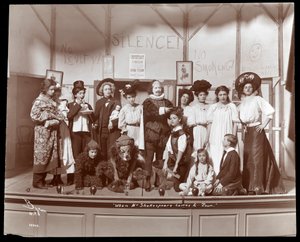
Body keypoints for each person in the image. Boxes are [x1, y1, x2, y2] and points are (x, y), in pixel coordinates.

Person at [235, 72, 286, 195]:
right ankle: (249, 186)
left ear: (253, 88)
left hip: (257, 132)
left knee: (257, 158)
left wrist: (263, 125)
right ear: (242, 90)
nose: (248, 89)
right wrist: (243, 126)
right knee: (248, 159)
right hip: (247, 133)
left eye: (250, 87)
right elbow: (240, 118)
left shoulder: (258, 99)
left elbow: (270, 112)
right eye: (245, 87)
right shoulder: (242, 103)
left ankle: (258, 186)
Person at [30, 78, 63, 189]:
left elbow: (59, 114)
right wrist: (48, 116)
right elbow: (34, 116)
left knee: (48, 155)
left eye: (54, 89)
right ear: (45, 89)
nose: (53, 92)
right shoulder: (39, 101)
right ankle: (37, 181)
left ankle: (42, 180)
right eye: (51, 89)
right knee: (41, 155)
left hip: (52, 132)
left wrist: (56, 119)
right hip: (42, 133)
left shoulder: (52, 101)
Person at [143, 80, 173, 191]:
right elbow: (151, 112)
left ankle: (158, 181)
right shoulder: (147, 102)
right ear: (151, 89)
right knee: (149, 159)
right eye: (155, 88)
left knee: (160, 159)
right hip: (150, 134)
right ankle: (147, 181)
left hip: (163, 135)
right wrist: (164, 110)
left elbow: (172, 112)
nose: (158, 89)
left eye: (159, 87)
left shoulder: (167, 102)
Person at [206, 85, 239, 175]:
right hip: (215, 134)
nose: (222, 97)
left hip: (228, 134)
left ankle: (225, 180)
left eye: (224, 94)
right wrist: (207, 138)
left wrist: (233, 137)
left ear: (227, 95)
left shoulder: (231, 106)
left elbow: (235, 123)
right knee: (215, 155)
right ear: (217, 96)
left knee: (227, 156)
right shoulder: (213, 107)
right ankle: (215, 178)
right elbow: (209, 124)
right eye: (220, 95)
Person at [161, 107, 189, 192]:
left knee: (177, 188)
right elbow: (169, 149)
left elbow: (181, 151)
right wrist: (165, 163)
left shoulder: (181, 134)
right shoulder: (173, 132)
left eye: (174, 118)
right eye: (170, 118)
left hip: (180, 163)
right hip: (172, 161)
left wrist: (176, 166)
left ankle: (190, 188)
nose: (172, 120)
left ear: (179, 119)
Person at [94, 78, 121, 160]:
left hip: (112, 131)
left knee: (111, 151)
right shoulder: (99, 102)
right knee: (102, 152)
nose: (108, 91)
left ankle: (112, 170)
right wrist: (95, 123)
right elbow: (96, 116)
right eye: (106, 89)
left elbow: (119, 115)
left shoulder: (116, 101)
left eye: (109, 89)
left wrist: (113, 123)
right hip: (101, 131)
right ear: (102, 91)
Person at [54, 87, 76, 186]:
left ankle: (62, 177)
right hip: (55, 128)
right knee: (57, 152)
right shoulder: (52, 102)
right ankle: (56, 177)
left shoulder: (63, 104)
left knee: (64, 151)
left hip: (62, 128)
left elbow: (63, 116)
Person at [68, 80, 94, 163]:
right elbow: (69, 116)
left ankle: (84, 174)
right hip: (75, 133)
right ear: (75, 95)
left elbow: (93, 118)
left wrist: (90, 113)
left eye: (83, 93)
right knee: (76, 153)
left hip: (86, 132)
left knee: (85, 152)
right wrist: (79, 105)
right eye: (80, 93)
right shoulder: (70, 105)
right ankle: (75, 174)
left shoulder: (87, 105)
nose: (82, 95)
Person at [118, 80, 144, 150]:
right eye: (129, 97)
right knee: (130, 148)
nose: (132, 99)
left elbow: (143, 120)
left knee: (139, 148)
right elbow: (121, 124)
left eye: (133, 97)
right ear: (126, 98)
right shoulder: (124, 109)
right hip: (129, 130)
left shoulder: (140, 107)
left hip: (139, 130)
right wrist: (124, 131)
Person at [190, 80, 212, 152]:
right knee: (198, 147)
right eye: (200, 95)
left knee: (207, 147)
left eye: (204, 95)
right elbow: (192, 122)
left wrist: (206, 123)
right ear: (197, 96)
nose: (203, 97)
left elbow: (211, 120)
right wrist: (201, 122)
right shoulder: (194, 107)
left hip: (207, 129)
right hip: (198, 130)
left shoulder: (210, 107)